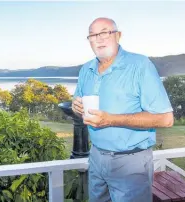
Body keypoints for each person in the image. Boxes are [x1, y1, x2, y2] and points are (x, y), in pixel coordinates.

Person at [72, 17, 174, 202]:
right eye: (93, 35)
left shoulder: (140, 65)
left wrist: (111, 119)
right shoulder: (86, 70)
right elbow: (78, 103)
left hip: (131, 163)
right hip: (96, 157)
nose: (99, 38)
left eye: (105, 32)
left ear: (118, 35)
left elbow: (165, 119)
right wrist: (76, 106)